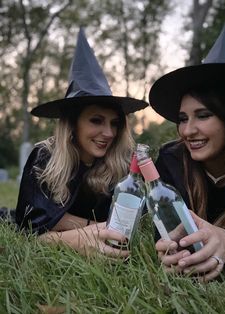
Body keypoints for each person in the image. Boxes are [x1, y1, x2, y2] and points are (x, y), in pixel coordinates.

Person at [15, 28, 148, 257]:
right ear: (73, 124)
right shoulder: (44, 157)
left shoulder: (123, 162)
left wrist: (67, 224)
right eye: (96, 121)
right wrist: (93, 230)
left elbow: (135, 218)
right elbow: (33, 223)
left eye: (115, 123)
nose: (108, 133)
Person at [149, 25, 225, 281]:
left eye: (204, 115)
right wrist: (170, 249)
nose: (187, 131)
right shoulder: (170, 161)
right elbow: (165, 227)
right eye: (182, 118)